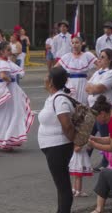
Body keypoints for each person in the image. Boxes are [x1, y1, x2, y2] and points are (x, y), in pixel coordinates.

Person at [38, 66, 76, 213]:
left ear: (52, 81)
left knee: (63, 186)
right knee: (61, 184)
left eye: (47, 76)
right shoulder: (53, 98)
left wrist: (74, 141)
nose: (44, 79)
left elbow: (67, 126)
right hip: (53, 147)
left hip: (59, 147)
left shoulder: (60, 100)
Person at [0, 41, 34, 151]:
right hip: (8, 90)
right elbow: (3, 76)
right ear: (2, 52)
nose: (10, 52)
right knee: (7, 115)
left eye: (9, 49)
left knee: (8, 115)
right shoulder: (2, 63)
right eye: (8, 50)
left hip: (10, 89)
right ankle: (0, 140)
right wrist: (9, 81)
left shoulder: (6, 62)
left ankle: (3, 140)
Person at [86, 48, 112, 170]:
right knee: (87, 134)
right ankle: (84, 160)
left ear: (110, 60)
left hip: (104, 110)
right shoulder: (98, 72)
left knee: (106, 136)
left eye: (102, 57)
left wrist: (93, 88)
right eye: (99, 56)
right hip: (93, 109)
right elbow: (87, 87)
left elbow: (99, 88)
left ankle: (108, 162)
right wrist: (92, 88)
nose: (99, 59)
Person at [57, 37, 97, 105]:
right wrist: (63, 79)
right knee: (70, 103)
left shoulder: (87, 55)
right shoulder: (67, 56)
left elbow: (100, 65)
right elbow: (55, 68)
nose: (74, 45)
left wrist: (94, 78)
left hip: (83, 83)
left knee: (83, 104)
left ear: (82, 44)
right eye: (73, 43)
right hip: (70, 83)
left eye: (77, 43)